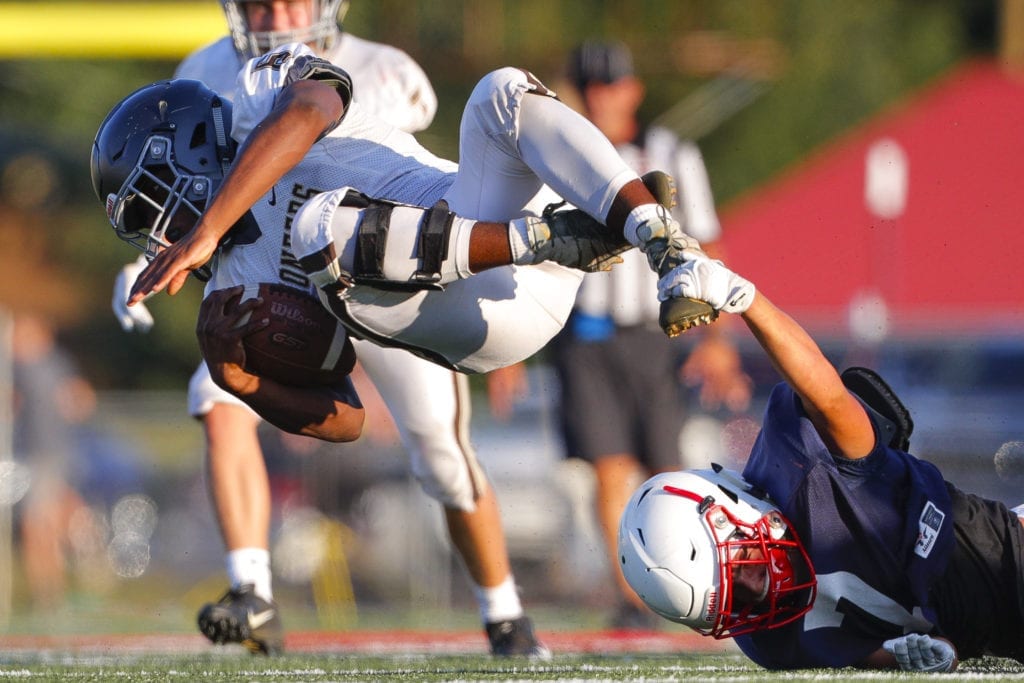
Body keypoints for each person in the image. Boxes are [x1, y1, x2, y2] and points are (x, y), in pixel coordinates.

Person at [104, 0, 544, 658]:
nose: (276, 12)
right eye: (259, 1)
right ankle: (251, 588)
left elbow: (379, 165)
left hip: (389, 275)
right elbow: (193, 182)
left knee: (443, 458)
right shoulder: (206, 69)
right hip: (285, 283)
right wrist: (152, 254)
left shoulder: (385, 70)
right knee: (216, 391)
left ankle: (505, 612)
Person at [617, 254, 1024, 672]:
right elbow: (867, 652)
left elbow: (827, 394)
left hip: (995, 554)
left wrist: (746, 300)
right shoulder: (765, 639)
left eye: (744, 578)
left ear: (727, 514)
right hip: (981, 633)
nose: (758, 599)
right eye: (732, 611)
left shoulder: (806, 466)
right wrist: (918, 657)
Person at [534, 40, 750, 630]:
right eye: (592, 87)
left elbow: (707, 244)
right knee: (607, 466)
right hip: (586, 332)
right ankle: (632, 598)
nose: (602, 98)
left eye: (612, 85)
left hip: (660, 334)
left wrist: (715, 340)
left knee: (664, 467)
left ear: (633, 89)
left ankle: (676, 587)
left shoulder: (671, 152)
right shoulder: (559, 154)